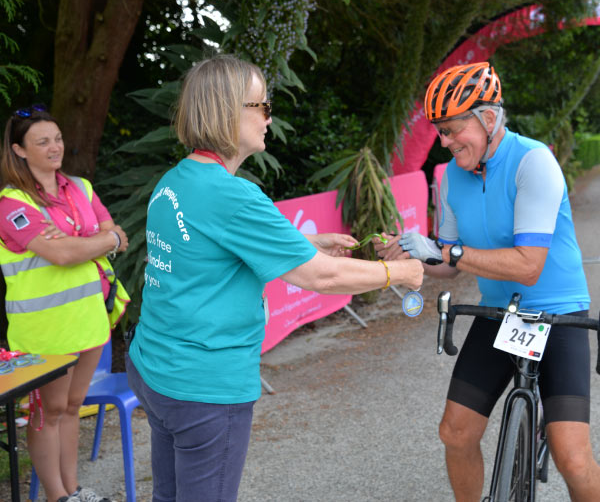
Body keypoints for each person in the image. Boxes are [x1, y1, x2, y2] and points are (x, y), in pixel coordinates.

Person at [125, 54, 423, 502]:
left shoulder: (177, 179)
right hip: (204, 388)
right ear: (228, 112)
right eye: (261, 106)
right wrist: (400, 270)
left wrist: (306, 243)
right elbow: (323, 278)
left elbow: (208, 254)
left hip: (154, 369)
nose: (269, 117)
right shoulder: (233, 194)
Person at [375, 61, 599, 501]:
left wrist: (447, 250)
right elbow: (450, 265)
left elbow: (528, 266)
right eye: (440, 131)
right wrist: (411, 256)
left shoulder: (533, 162)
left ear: (489, 119)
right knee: (455, 433)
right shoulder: (451, 175)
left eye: (454, 129)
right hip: (502, 315)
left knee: (572, 457)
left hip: (558, 315)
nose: (445, 141)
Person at [0, 105, 130, 502]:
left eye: (57, 139)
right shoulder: (11, 203)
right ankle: (56, 496)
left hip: (89, 319)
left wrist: (91, 242)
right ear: (19, 150)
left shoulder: (81, 188)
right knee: (47, 413)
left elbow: (114, 235)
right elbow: (62, 254)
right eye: (42, 141)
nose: (55, 147)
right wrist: (97, 242)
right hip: (45, 328)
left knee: (73, 407)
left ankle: (73, 491)